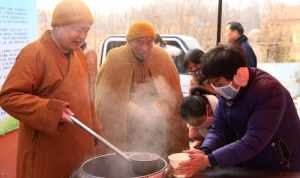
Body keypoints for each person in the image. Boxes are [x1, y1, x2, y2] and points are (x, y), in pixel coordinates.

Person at [0, 1, 102, 178]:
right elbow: (8, 97)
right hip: (46, 155)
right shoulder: (34, 53)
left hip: (79, 151)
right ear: (58, 25)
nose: (82, 36)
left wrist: (95, 130)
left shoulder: (78, 53)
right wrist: (51, 110)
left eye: (86, 30)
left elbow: (86, 96)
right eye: (78, 29)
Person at [176, 45, 300, 177]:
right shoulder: (229, 91)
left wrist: (208, 160)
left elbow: (254, 140)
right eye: (213, 84)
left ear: (239, 75)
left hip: (280, 163)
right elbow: (219, 129)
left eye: (218, 83)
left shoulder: (269, 91)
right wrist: (205, 150)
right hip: (251, 158)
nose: (216, 89)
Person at [95, 20, 188, 157]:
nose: (144, 48)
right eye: (139, 42)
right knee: (128, 163)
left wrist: (161, 107)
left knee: (161, 159)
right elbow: (107, 98)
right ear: (128, 41)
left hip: (158, 127)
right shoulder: (116, 58)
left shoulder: (162, 57)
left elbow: (173, 94)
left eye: (149, 42)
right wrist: (136, 110)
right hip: (127, 130)